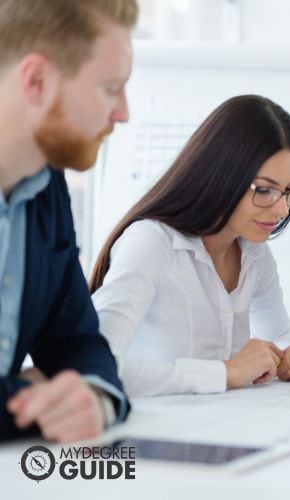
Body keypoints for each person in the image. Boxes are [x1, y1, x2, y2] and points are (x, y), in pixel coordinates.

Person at [90, 95, 290, 397]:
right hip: (149, 435)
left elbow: (278, 333)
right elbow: (94, 365)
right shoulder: (151, 243)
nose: (282, 210)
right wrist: (225, 372)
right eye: (264, 190)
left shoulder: (255, 254)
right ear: (223, 174)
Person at [0, 0, 137, 441]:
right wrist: (29, 398)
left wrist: (93, 397)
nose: (123, 114)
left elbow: (78, 342)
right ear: (36, 80)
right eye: (111, 87)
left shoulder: (46, 186)